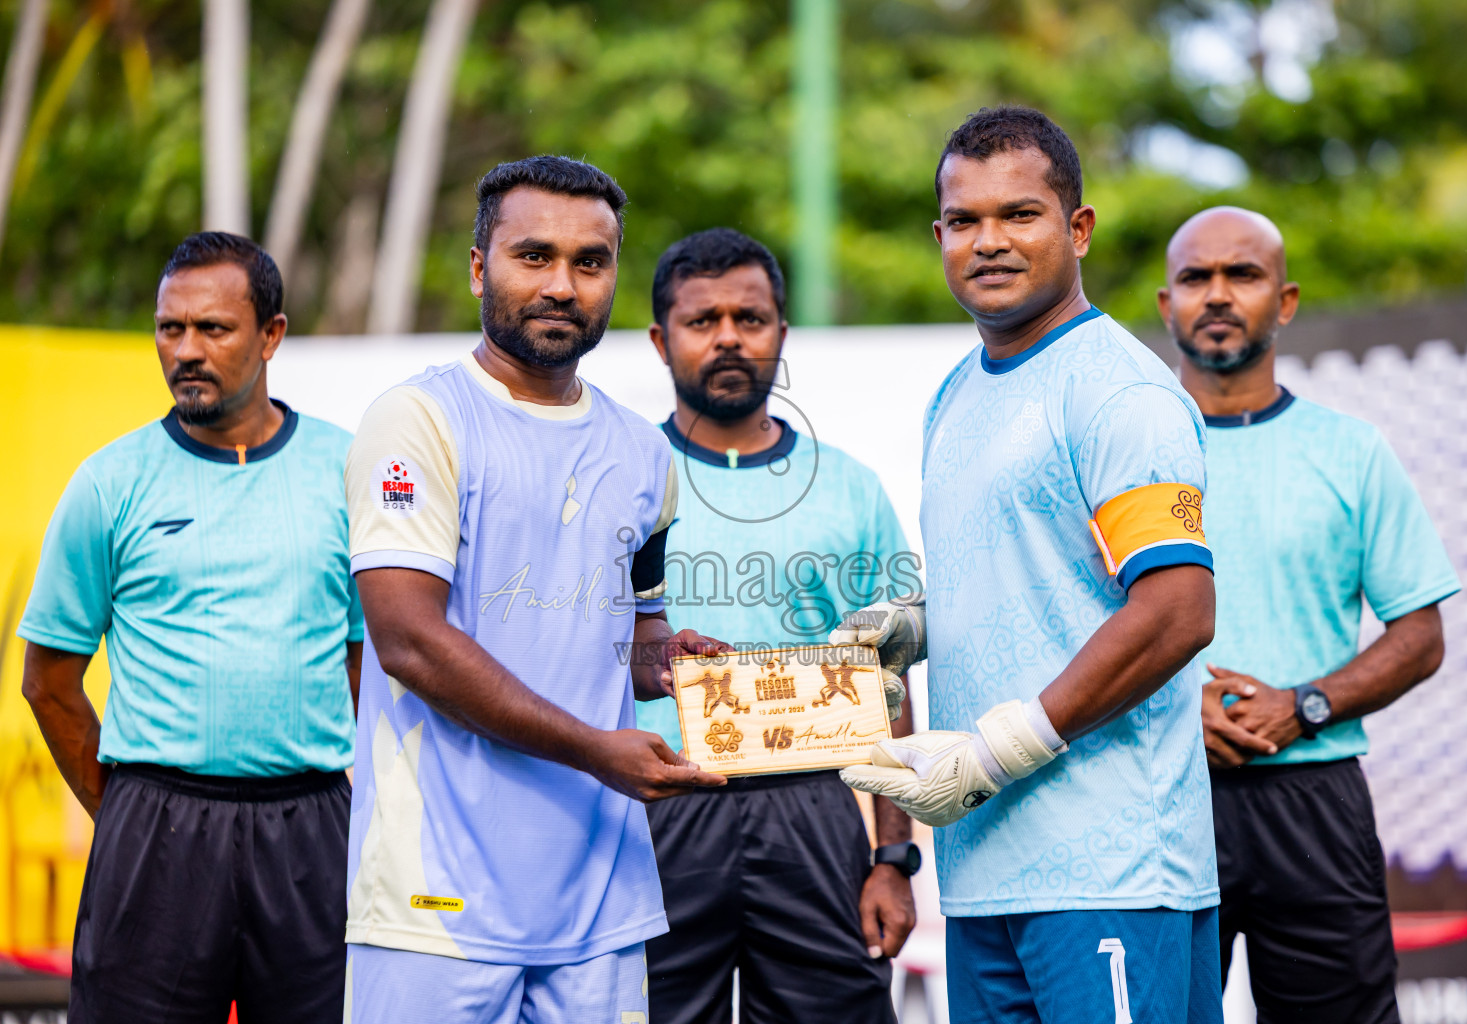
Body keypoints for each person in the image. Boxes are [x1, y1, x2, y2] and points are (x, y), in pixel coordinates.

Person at [837, 105, 1222, 1023]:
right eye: (965, 221)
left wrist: (999, 750)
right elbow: (1038, 579)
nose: (990, 241)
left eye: (1021, 214)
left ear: (1077, 228)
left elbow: (1177, 610)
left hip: (1112, 868)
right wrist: (917, 627)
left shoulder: (1118, 389)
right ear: (939, 237)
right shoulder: (955, 393)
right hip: (983, 877)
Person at [341, 156, 731, 1024]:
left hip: (598, 901)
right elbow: (407, 641)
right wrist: (599, 749)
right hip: (434, 905)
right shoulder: (417, 420)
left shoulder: (645, 454)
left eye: (589, 263)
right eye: (534, 257)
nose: (562, 284)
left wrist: (673, 664)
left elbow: (631, 638)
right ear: (480, 268)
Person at [17, 232, 360, 1023]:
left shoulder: (346, 471)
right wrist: (131, 814)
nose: (186, 351)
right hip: (155, 829)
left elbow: (358, 658)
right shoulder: (111, 482)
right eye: (171, 329)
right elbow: (48, 682)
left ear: (272, 334)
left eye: (214, 329)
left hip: (309, 830)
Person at [1160, 206, 1459, 1023]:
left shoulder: (1351, 450)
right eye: (1196, 277)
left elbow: (1420, 635)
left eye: (1242, 275)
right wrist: (1176, 708)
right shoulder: (1127, 456)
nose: (1217, 295)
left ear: (1284, 302)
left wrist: (1305, 706)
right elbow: (1072, 626)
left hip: (1315, 799)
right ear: (1166, 305)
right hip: (1162, 791)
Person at [635, 228, 918, 1024]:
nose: (728, 336)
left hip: (813, 813)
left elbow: (890, 676)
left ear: (781, 335)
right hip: (657, 812)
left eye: (750, 318)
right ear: (662, 340)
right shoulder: (618, 474)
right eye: (702, 320)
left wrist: (892, 857)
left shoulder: (851, 489)